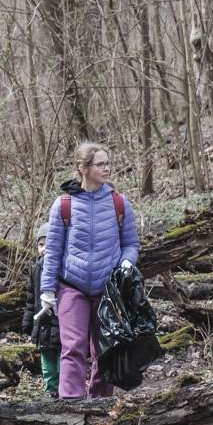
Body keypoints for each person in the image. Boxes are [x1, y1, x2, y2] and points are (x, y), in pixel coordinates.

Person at [39, 142, 139, 400]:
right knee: (72, 347)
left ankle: (100, 403)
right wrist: (47, 290)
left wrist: (127, 262)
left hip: (108, 289)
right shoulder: (63, 205)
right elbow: (53, 251)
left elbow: (130, 244)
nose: (107, 168)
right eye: (100, 164)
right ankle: (71, 404)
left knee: (105, 349)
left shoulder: (119, 203)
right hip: (72, 287)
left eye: (107, 163)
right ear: (83, 168)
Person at [18, 222, 61, 397]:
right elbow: (31, 299)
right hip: (42, 323)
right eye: (41, 244)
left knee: (64, 361)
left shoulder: (63, 267)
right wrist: (28, 322)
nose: (44, 249)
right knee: (47, 363)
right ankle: (51, 391)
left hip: (60, 323)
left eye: (48, 244)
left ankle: (66, 391)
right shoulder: (36, 268)